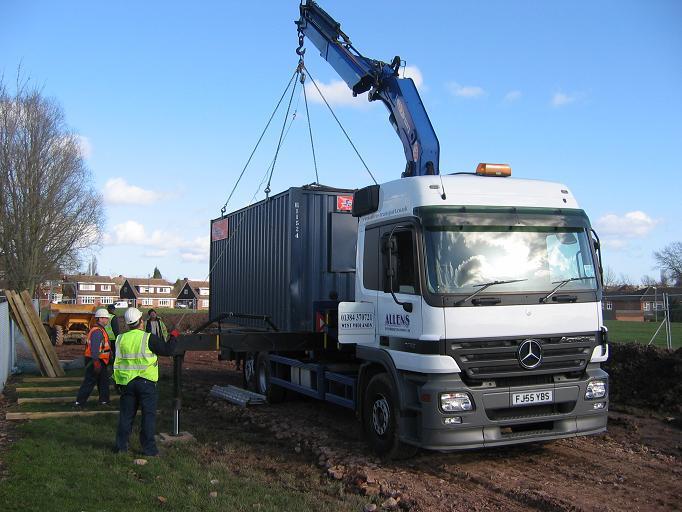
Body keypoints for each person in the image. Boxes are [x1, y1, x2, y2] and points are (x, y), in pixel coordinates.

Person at [113, 307, 179, 456]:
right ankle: (149, 450)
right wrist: (174, 336)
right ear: (141, 322)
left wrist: (117, 382)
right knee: (148, 417)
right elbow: (168, 350)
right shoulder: (148, 338)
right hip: (146, 384)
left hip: (126, 384)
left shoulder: (120, 339)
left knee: (126, 417)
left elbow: (116, 362)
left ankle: (121, 448)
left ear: (128, 324)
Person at [75, 308, 112, 406]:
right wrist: (96, 363)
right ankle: (79, 401)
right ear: (100, 319)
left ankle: (104, 400)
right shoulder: (97, 331)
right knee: (90, 381)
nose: (107, 320)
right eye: (106, 318)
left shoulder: (98, 330)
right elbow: (94, 349)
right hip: (95, 360)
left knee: (103, 382)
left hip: (99, 360)